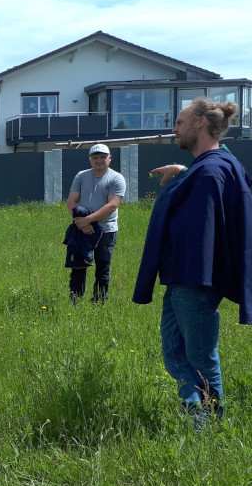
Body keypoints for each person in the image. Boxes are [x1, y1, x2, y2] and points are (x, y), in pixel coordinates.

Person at [134, 98, 252, 420]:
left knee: (200, 356)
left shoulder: (210, 171)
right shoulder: (210, 166)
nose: (174, 129)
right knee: (173, 349)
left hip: (196, 279)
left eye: (180, 122)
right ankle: (193, 407)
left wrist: (189, 174)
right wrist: (184, 170)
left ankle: (208, 422)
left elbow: (211, 221)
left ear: (200, 123)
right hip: (180, 278)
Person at [65, 143, 126, 303]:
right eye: (95, 157)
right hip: (82, 230)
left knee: (102, 268)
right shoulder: (81, 176)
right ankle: (75, 303)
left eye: (102, 157)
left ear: (109, 158)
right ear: (90, 159)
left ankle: (99, 303)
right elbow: (71, 201)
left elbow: (112, 205)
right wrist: (82, 224)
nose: (99, 160)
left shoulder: (116, 178)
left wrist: (88, 220)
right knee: (78, 267)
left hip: (106, 231)